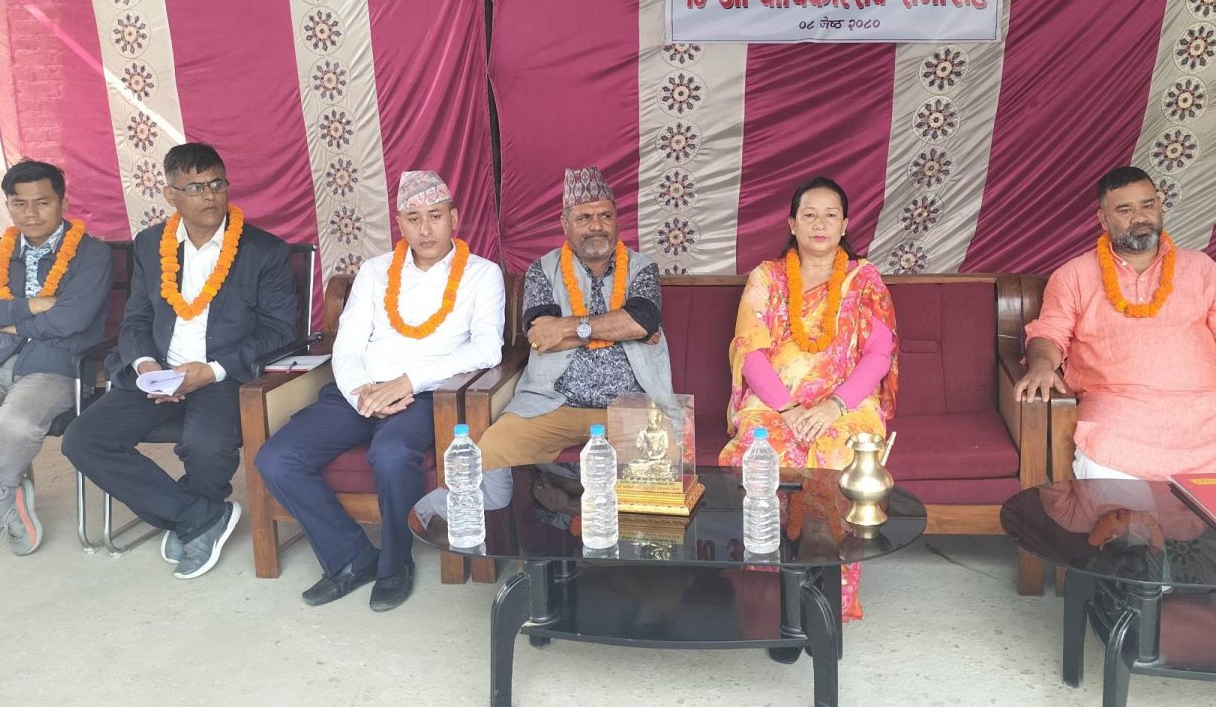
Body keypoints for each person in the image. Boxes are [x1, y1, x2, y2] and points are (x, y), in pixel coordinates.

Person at [256, 171, 504, 611]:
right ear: (399, 224)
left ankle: (395, 564)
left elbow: (487, 349)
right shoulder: (374, 272)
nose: (425, 229)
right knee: (276, 458)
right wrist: (362, 393)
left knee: (390, 454)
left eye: (435, 216)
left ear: (455, 218)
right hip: (360, 390)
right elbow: (347, 345)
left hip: (425, 395)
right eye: (413, 218)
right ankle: (351, 557)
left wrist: (408, 382)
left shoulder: (482, 275)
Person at [63, 143, 297, 579]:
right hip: (157, 373)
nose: (209, 195)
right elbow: (136, 318)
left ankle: (192, 517)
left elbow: (280, 332)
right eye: (195, 187)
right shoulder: (151, 244)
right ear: (170, 194)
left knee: (207, 446)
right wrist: (146, 366)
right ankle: (198, 516)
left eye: (217, 184)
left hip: (224, 376)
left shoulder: (264, 251)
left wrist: (212, 370)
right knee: (82, 439)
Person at [1015, 166, 1216, 485]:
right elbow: (1049, 334)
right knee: (1103, 465)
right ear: (1104, 220)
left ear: (1160, 206)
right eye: (1125, 210)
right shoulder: (1074, 275)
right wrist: (1041, 366)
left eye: (1147, 205)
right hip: (1119, 408)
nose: (1140, 217)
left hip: (1211, 410)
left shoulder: (1201, 268)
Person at [719, 176, 899, 622]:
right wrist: (788, 408)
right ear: (792, 224)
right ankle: (768, 589)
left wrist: (834, 406)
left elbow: (879, 354)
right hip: (774, 403)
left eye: (830, 215)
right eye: (809, 215)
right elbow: (750, 351)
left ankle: (827, 588)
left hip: (846, 404)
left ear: (845, 225)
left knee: (841, 455)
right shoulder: (766, 277)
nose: (820, 224)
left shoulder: (865, 280)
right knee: (762, 457)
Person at [478, 167, 672, 514]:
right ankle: (499, 532)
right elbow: (542, 336)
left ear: (616, 221)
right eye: (584, 218)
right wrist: (619, 329)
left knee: (660, 480)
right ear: (564, 224)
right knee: (492, 448)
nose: (597, 226)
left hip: (633, 405)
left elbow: (641, 321)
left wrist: (569, 328)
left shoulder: (643, 268)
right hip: (553, 404)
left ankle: (634, 535)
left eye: (605, 216)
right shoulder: (542, 271)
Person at [0, 161, 112, 554]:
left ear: (63, 202)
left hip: (59, 364)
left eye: (42, 202)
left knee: (14, 424)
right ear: (8, 206)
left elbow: (71, 321)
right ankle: (2, 503)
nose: (30, 213)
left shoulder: (91, 254)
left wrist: (9, 320)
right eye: (19, 203)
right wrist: (32, 305)